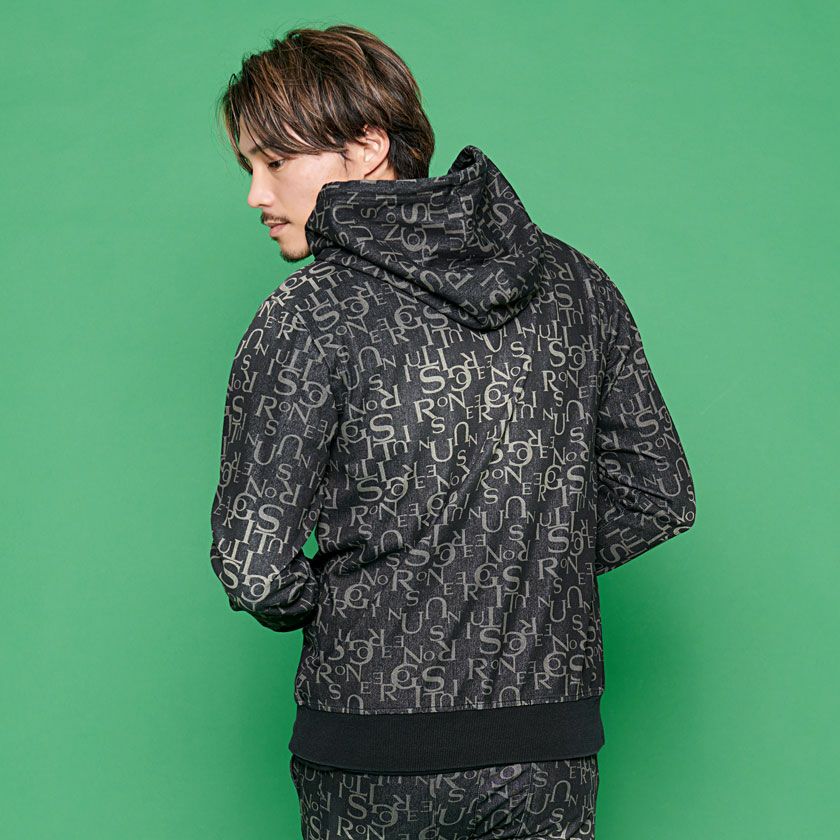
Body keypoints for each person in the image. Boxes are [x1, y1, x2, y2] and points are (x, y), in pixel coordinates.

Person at [210, 23, 696, 840]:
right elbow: (659, 495)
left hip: (372, 748)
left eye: (275, 162)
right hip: (548, 749)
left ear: (368, 146)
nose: (257, 195)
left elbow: (253, 567)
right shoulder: (577, 285)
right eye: (249, 168)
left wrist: (364, 595)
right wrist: (527, 562)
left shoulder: (309, 313)